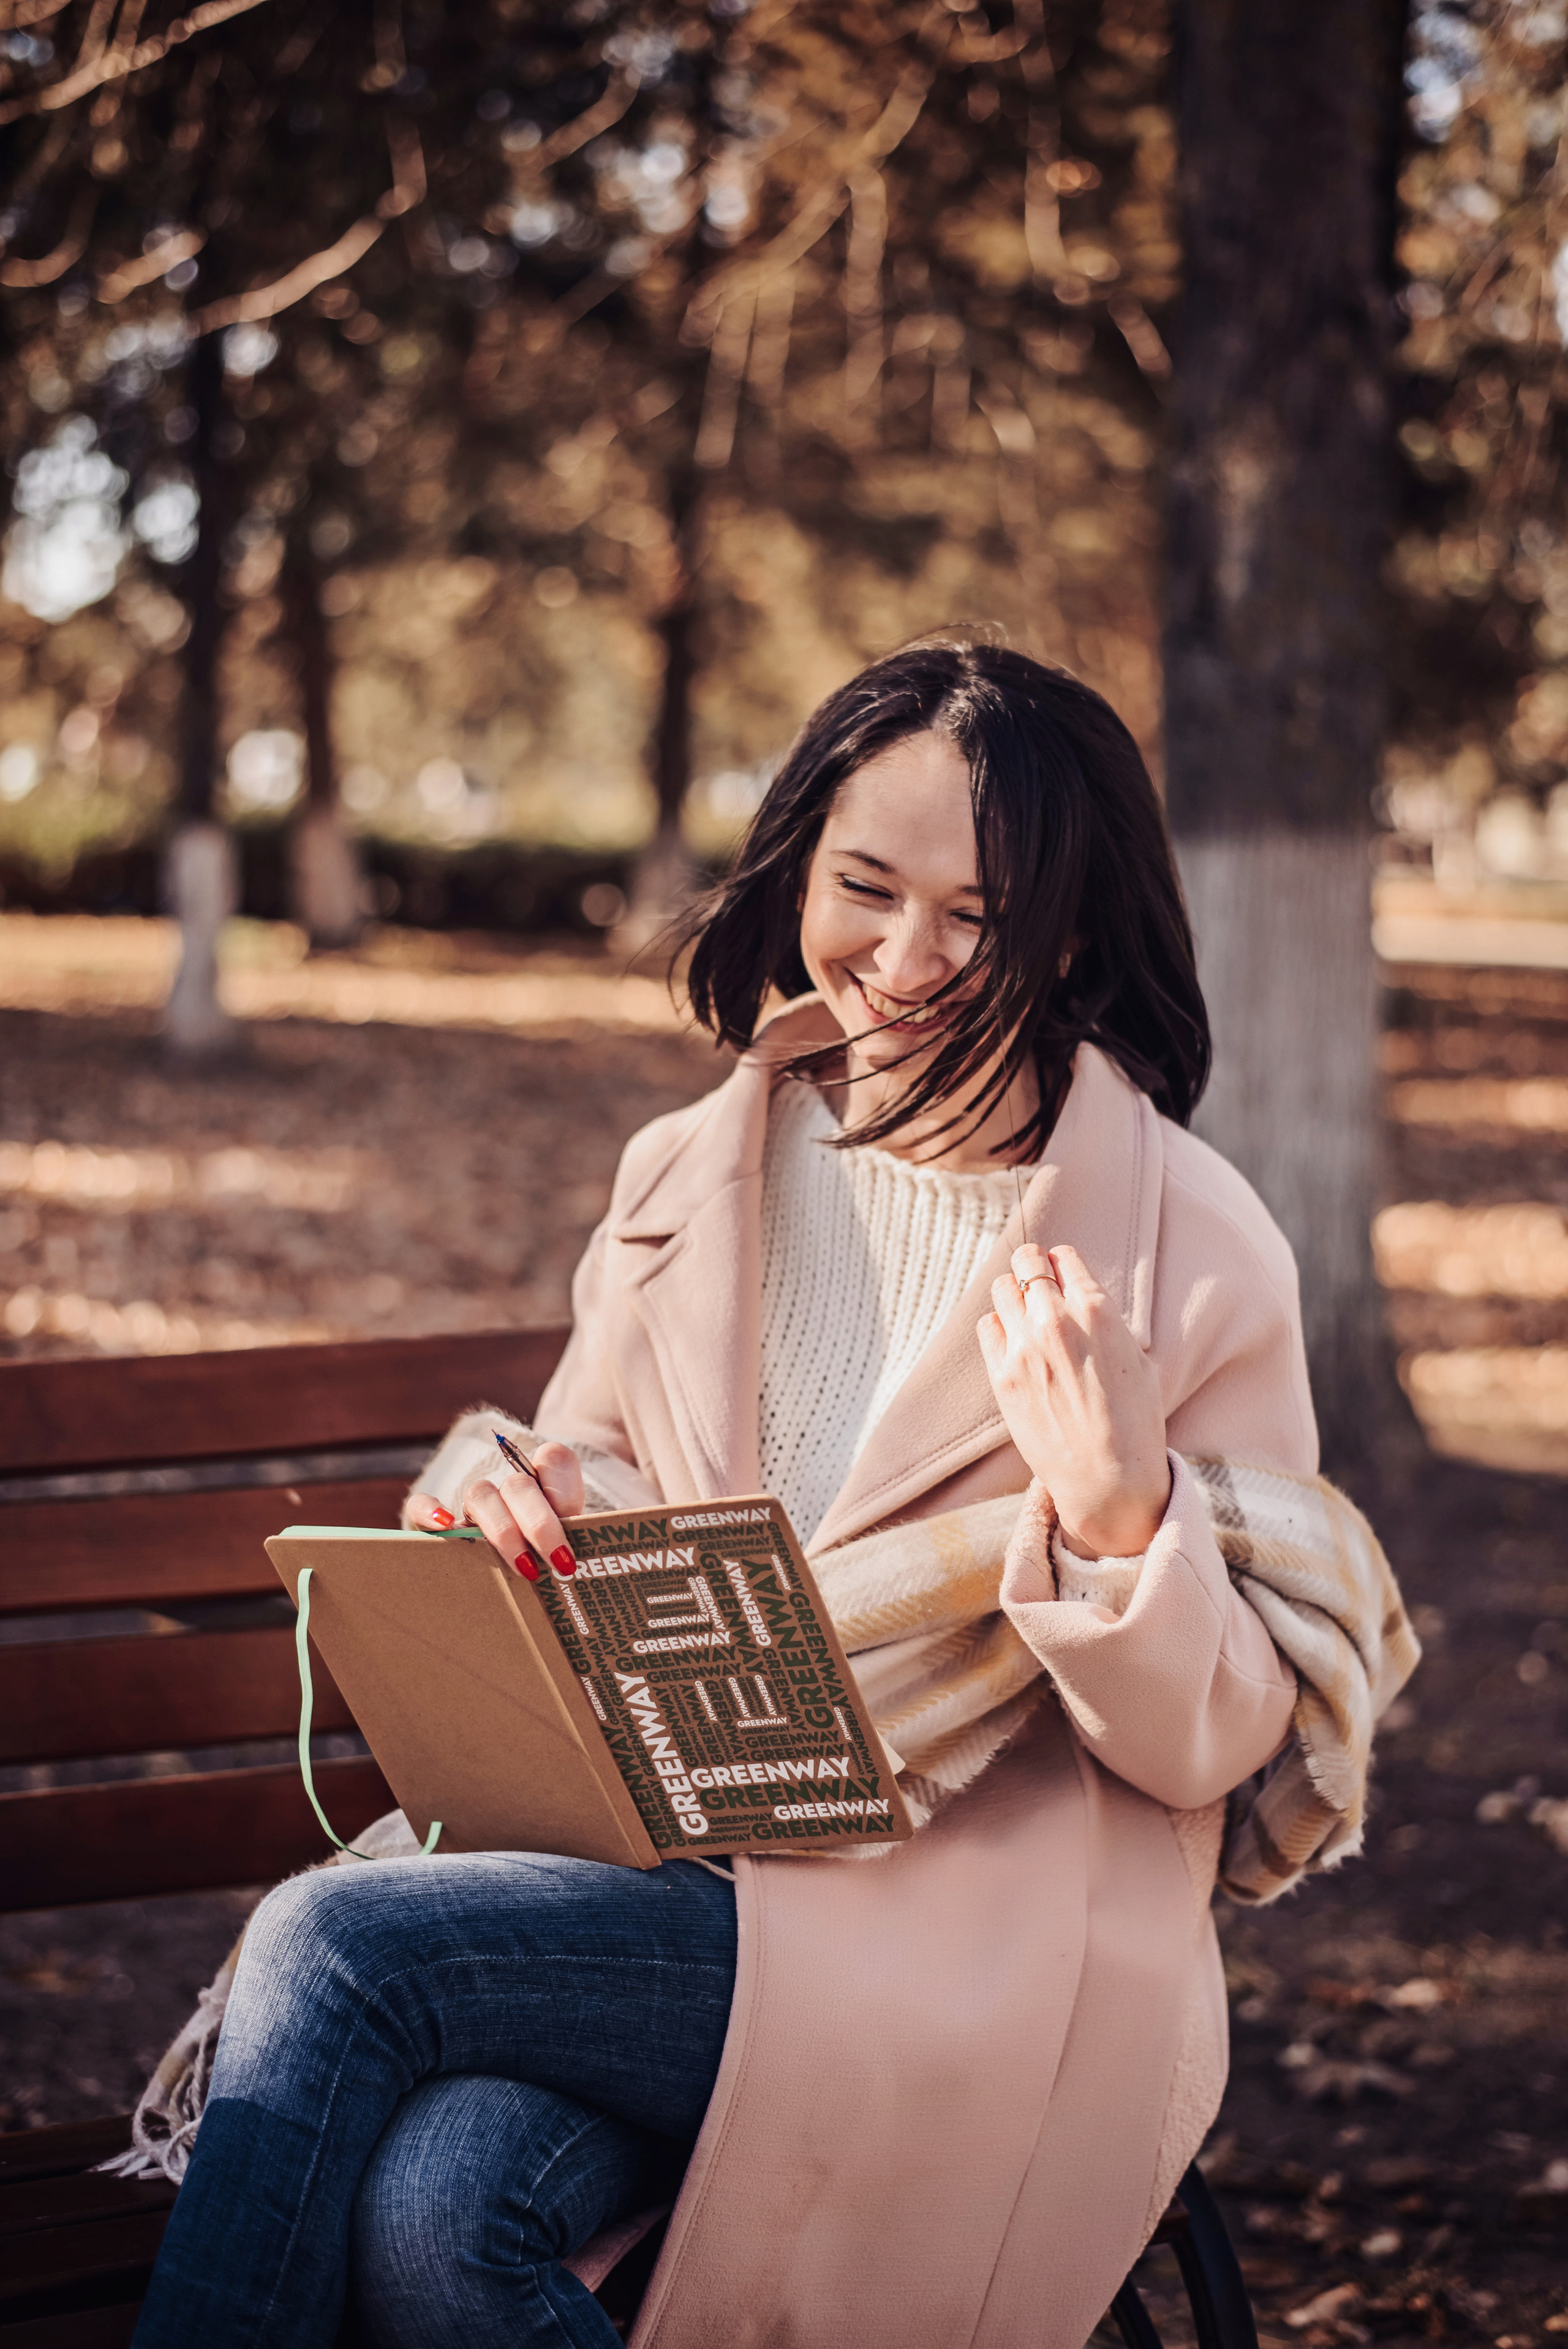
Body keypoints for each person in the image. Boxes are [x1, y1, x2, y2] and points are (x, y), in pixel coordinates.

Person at [133, 642, 1326, 2349]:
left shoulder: (1189, 1246)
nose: (907, 960)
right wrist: (504, 1487)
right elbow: (598, 1480)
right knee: (432, 2218)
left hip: (963, 1943)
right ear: (796, 867)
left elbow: (1228, 1747)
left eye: (979, 919)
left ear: (1071, 929)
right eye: (866, 887)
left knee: (336, 1944)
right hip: (667, 1875)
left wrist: (1127, 1516)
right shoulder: (694, 1166)